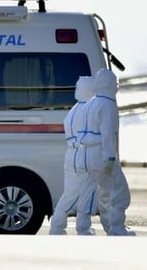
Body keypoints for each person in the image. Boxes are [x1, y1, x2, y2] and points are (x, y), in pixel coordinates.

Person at [77, 67, 134, 236]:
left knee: (88, 191)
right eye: (114, 83)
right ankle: (116, 227)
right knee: (119, 192)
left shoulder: (89, 104)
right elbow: (107, 132)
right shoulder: (108, 104)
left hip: (84, 153)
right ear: (109, 85)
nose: (116, 87)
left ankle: (83, 227)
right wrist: (110, 158)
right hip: (100, 153)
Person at [48, 76, 96, 235]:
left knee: (72, 192)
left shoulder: (75, 109)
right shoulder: (86, 109)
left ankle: (58, 224)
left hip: (72, 155)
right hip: (80, 154)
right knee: (82, 192)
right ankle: (81, 227)